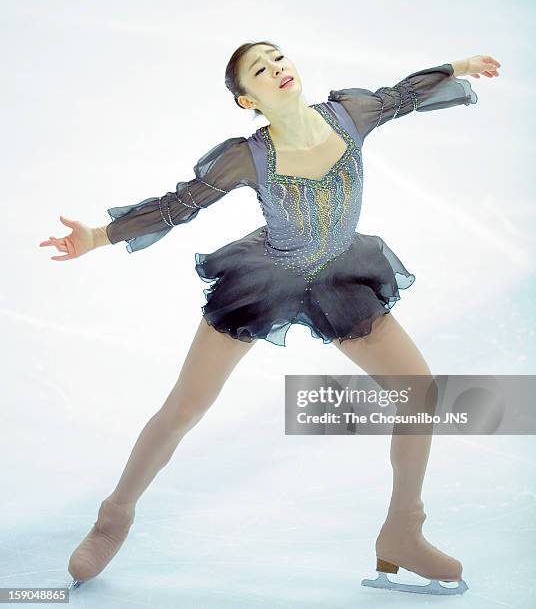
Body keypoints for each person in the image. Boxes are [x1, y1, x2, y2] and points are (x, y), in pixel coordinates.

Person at [39, 42, 500, 595]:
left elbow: (402, 94)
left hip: (340, 274)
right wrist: (97, 235)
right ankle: (112, 519)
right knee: (184, 407)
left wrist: (457, 68)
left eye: (279, 59)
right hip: (266, 280)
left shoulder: (349, 114)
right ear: (245, 99)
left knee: (419, 392)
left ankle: (403, 531)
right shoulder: (247, 155)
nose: (277, 69)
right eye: (261, 70)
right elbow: (176, 206)